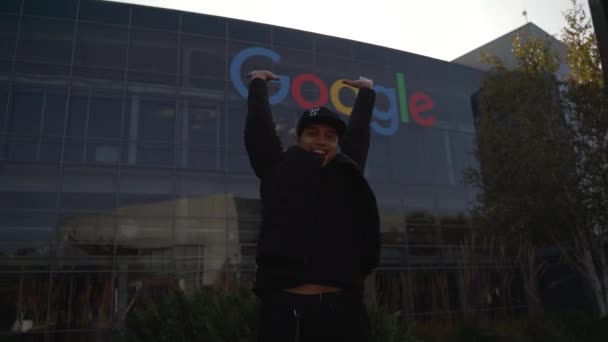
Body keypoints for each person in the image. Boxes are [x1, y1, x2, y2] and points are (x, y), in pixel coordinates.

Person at [245, 70, 380, 342]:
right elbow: (258, 129)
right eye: (313, 133)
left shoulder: (346, 171)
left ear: (337, 143)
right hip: (285, 311)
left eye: (330, 136)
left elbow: (359, 134)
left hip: (342, 310)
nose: (321, 140)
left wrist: (366, 92)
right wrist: (258, 83)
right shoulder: (276, 168)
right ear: (299, 138)